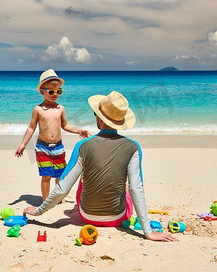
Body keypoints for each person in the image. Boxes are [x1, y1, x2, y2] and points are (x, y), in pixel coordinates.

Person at [24, 91, 178, 242]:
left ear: (99, 117)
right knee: (125, 187)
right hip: (119, 217)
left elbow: (63, 188)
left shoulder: (82, 145)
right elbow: (136, 188)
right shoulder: (133, 147)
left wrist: (38, 211)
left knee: (82, 180)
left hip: (87, 216)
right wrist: (148, 232)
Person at [15, 69, 91, 201]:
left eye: (58, 91)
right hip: (42, 147)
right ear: (42, 91)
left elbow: (65, 125)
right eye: (51, 92)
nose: (55, 94)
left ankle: (57, 197)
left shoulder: (60, 108)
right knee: (46, 176)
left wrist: (78, 130)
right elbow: (31, 128)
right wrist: (23, 144)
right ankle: (45, 201)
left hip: (58, 147)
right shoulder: (38, 109)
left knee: (59, 175)